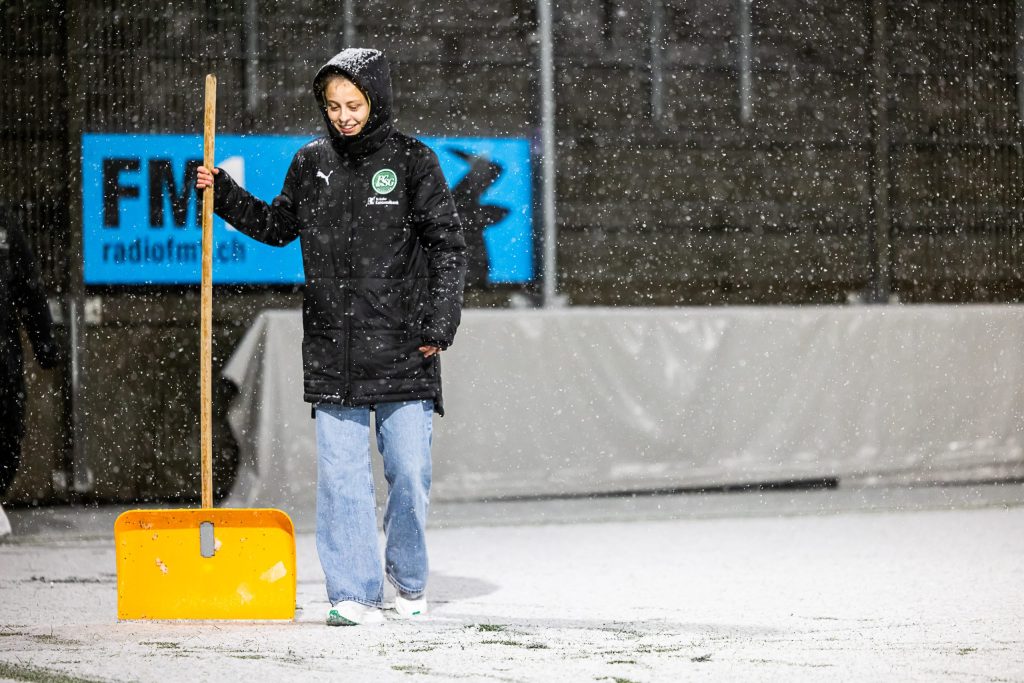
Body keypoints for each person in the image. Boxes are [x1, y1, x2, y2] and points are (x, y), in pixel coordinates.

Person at [196, 48, 466, 625]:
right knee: (343, 483)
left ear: (377, 101)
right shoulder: (310, 163)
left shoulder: (414, 162)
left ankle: (408, 579)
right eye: (334, 105)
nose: (344, 116)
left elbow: (447, 247)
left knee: (409, 475)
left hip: (405, 348)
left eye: (354, 104)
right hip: (332, 350)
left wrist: (440, 323)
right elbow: (276, 226)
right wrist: (223, 193)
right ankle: (352, 594)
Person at [1, 209, 59, 537]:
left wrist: (44, 342)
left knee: (10, 427)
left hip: (4, 355)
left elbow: (29, 287)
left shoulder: (5, 225)